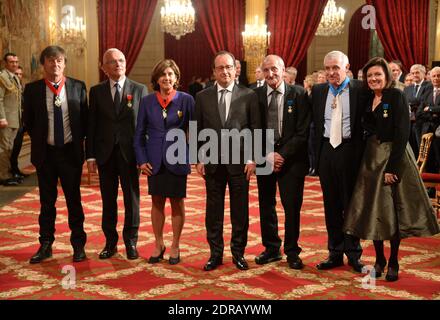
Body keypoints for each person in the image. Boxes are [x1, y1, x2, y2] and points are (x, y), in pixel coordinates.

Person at [344, 57, 440, 281]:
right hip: (370, 160)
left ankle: (394, 260)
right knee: (374, 211)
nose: (373, 79)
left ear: (387, 76)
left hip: (393, 158)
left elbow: (402, 133)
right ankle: (379, 260)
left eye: (378, 74)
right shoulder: (367, 97)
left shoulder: (396, 95)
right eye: (369, 76)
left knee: (393, 211)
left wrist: (392, 168)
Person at [195, 51, 260, 271]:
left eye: (228, 67)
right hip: (212, 162)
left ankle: (238, 254)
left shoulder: (248, 95)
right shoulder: (202, 97)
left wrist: (252, 158)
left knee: (239, 211)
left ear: (235, 69)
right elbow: (198, 130)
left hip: (240, 163)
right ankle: (215, 254)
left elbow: (254, 128)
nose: (225, 71)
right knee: (213, 212)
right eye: (220, 68)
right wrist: (199, 157)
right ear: (213, 72)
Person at [23, 46, 88, 263]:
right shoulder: (32, 90)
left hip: (71, 154)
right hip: (46, 155)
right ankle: (46, 244)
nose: (56, 64)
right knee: (47, 203)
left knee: (74, 201)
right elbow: (29, 123)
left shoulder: (78, 87)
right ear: (44, 64)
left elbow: (84, 121)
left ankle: (78, 246)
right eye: (51, 60)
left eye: (59, 60)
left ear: (65, 63)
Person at [87, 48, 148, 260]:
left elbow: (144, 126)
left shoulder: (139, 89)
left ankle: (131, 242)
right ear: (104, 68)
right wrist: (91, 155)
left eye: (121, 60)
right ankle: (110, 243)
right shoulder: (96, 91)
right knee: (108, 200)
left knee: (132, 199)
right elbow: (91, 125)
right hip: (105, 154)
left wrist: (144, 156)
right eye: (112, 62)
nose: (118, 64)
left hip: (130, 154)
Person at [134, 59, 194, 265]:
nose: (166, 78)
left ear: (176, 77)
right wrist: (141, 160)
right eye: (163, 74)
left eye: (170, 74)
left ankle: (175, 245)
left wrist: (192, 157)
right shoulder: (147, 101)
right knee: (157, 202)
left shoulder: (187, 100)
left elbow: (194, 132)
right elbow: (139, 134)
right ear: (156, 79)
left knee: (177, 203)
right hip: (154, 161)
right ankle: (158, 244)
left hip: (177, 159)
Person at [254, 55, 311, 269]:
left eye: (274, 69)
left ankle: (292, 251)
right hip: (264, 157)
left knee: (292, 206)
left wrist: (281, 155)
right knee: (266, 204)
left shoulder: (298, 94)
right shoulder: (255, 95)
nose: (270, 74)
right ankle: (271, 248)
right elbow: (252, 129)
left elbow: (303, 131)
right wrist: (268, 154)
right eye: (266, 70)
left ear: (283, 70)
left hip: (292, 160)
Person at [310, 51, 365, 272]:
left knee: (351, 204)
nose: (332, 72)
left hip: (350, 150)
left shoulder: (361, 89)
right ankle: (334, 252)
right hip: (326, 151)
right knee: (330, 205)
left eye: (336, 68)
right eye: (328, 68)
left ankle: (353, 253)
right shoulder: (318, 90)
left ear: (347, 67)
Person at [0, 53, 22, 186]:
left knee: (9, 148)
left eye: (16, 61)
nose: (15, 64)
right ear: (5, 63)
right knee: (3, 148)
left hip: (14, 120)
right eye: (11, 62)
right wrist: (1, 117)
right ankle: (3, 176)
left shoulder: (14, 78)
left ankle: (7, 173)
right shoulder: (2, 77)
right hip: (5, 120)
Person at [10, 65, 28, 180]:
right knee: (10, 149)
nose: (19, 76)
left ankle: (15, 170)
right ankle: (11, 172)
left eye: (20, 74)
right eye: (16, 74)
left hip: (21, 124)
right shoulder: (9, 87)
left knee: (17, 148)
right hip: (11, 124)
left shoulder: (22, 88)